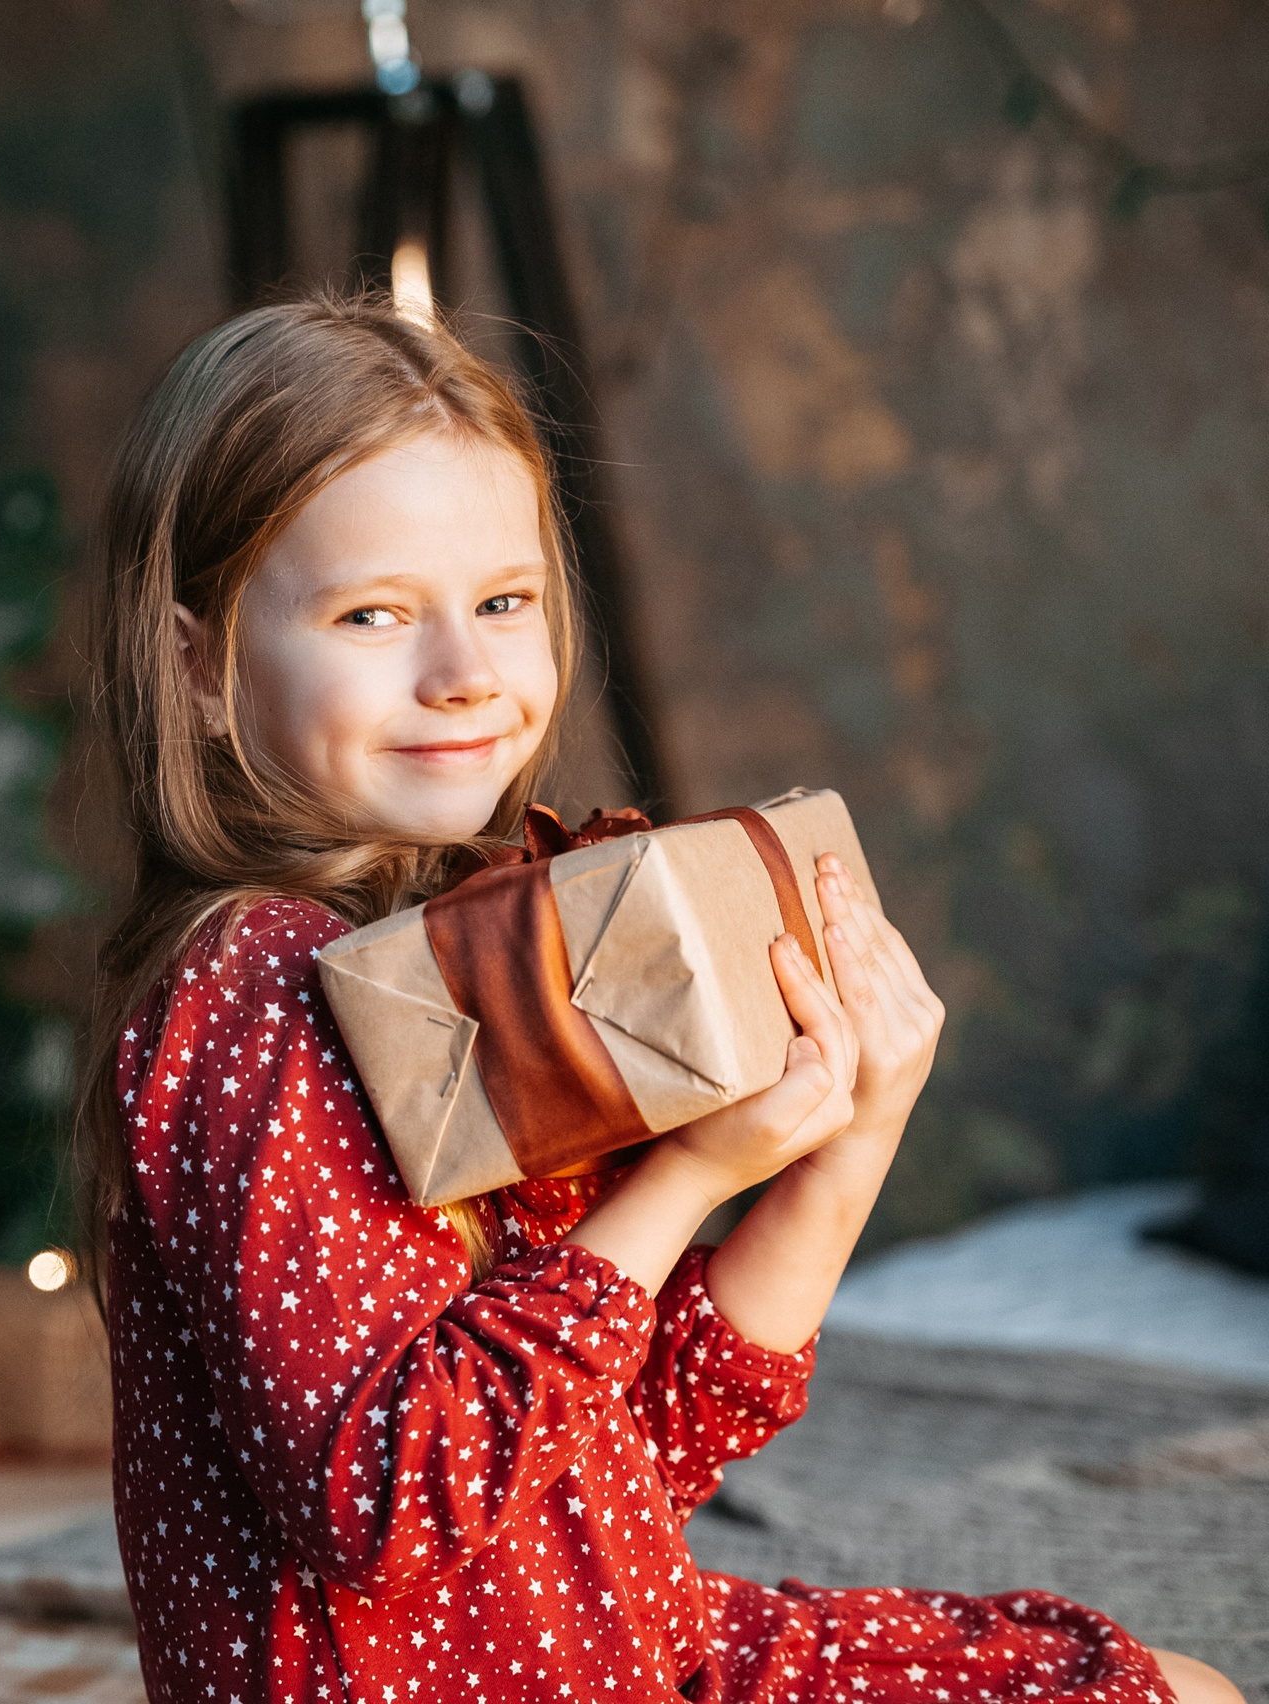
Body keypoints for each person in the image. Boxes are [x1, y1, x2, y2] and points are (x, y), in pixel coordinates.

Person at [71, 292, 1240, 1704]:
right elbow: (387, 1504)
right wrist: (686, 1180)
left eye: (503, 603)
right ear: (197, 667)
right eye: (373, 614)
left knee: (1174, 1685)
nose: (465, 676)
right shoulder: (253, 996)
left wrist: (849, 1142)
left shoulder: (479, 950)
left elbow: (635, 1453)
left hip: (629, 1640)